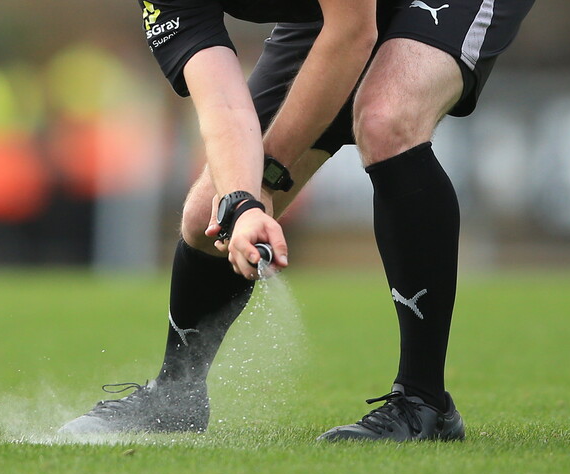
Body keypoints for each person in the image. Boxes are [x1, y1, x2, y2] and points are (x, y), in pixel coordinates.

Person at [59, 0, 535, 441]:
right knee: (210, 210)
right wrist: (242, 202)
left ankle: (424, 399)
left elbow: (353, 34)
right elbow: (223, 105)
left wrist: (264, 180)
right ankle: (175, 394)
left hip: (359, 17)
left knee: (386, 118)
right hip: (337, 16)